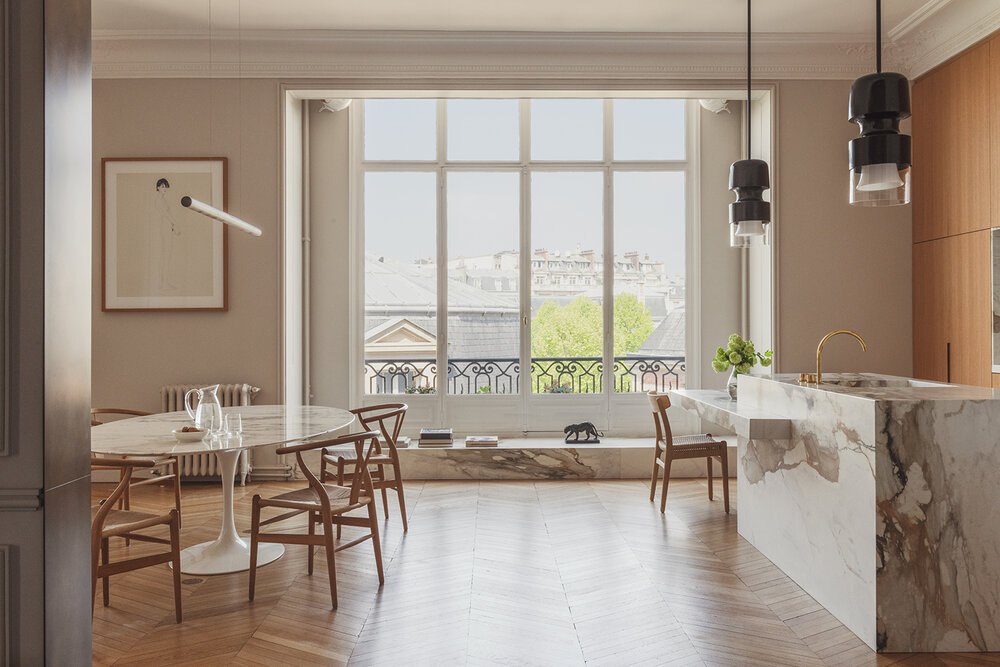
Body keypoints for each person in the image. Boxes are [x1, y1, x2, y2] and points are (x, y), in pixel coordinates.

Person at [153, 177, 181, 291]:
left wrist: (174, 226)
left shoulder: (163, 200)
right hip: (164, 230)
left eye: (166, 187)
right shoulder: (158, 200)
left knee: (167, 256)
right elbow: (165, 215)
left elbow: (168, 216)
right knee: (165, 256)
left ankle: (164, 282)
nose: (165, 189)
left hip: (167, 228)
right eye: (162, 186)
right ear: (158, 187)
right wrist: (175, 224)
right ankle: (162, 283)